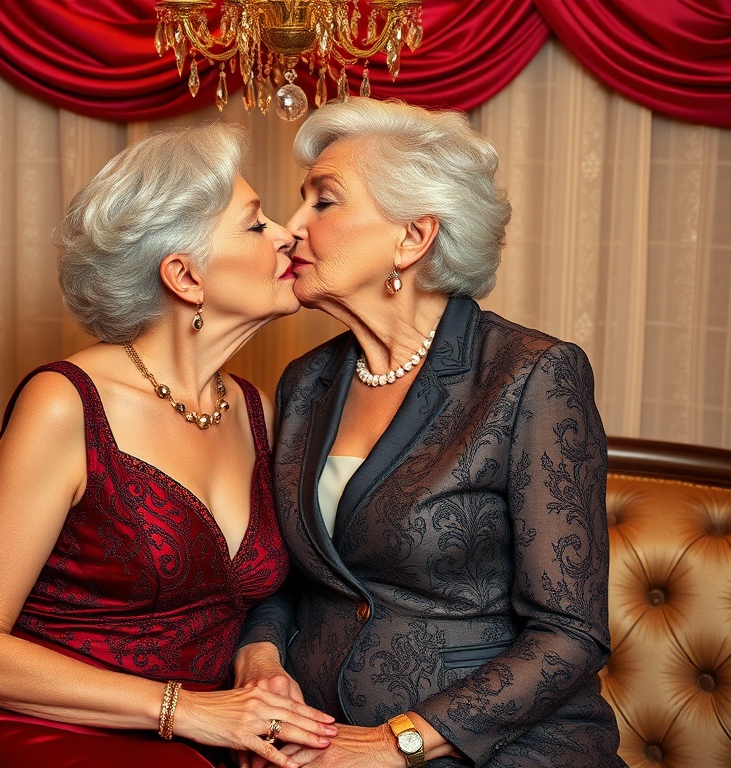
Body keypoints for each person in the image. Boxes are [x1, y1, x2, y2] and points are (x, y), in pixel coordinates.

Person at [0, 122, 339, 768]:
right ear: (184, 275)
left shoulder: (254, 408)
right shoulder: (65, 403)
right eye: (256, 223)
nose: (287, 234)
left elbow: (251, 594)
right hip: (15, 726)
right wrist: (189, 710)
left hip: (186, 734)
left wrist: (259, 663)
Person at [233, 98, 626, 768]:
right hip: (317, 745)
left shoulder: (531, 374)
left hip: (502, 750)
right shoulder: (306, 382)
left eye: (322, 203)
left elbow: (569, 632)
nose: (289, 229)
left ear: (413, 238)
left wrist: (397, 743)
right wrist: (260, 658)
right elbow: (296, 578)